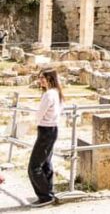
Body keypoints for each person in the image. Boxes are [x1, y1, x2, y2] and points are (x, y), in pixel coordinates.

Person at [28, 69, 63, 208]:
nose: (40, 80)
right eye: (39, 77)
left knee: (34, 167)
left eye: (43, 77)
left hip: (46, 131)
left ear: (50, 78)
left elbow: (39, 115)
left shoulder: (49, 94)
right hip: (52, 129)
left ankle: (45, 196)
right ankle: (49, 193)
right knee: (46, 164)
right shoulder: (56, 92)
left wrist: (34, 124)